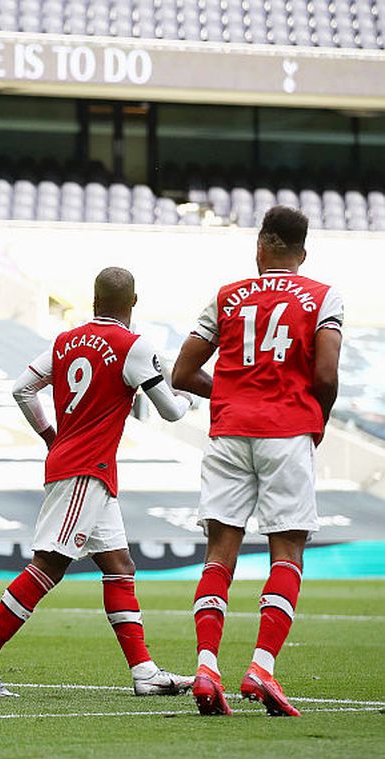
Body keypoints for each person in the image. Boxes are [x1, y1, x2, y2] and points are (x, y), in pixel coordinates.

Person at [0, 267, 193, 698]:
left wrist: (52, 436)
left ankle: (144, 673)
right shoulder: (134, 346)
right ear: (133, 303)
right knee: (50, 564)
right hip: (86, 470)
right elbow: (172, 413)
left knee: (119, 566)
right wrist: (188, 400)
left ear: (94, 300)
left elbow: (22, 389)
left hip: (85, 468)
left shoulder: (66, 341)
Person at [172, 206, 343, 717]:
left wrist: (229, 395)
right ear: (302, 252)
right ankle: (261, 667)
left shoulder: (226, 297)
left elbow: (182, 373)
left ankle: (206, 668)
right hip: (286, 432)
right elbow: (328, 374)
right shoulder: (321, 296)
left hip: (228, 434)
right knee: (286, 552)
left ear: (260, 247)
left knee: (219, 555)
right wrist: (318, 419)